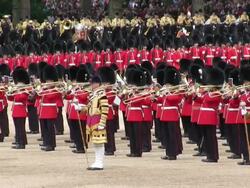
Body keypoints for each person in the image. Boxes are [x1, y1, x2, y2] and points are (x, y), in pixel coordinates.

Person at [85, 76, 108, 170]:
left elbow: (105, 110)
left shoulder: (102, 94)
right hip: (91, 120)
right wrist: (80, 108)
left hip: (98, 120)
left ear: (97, 84)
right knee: (95, 142)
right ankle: (97, 161)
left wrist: (102, 123)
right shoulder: (92, 95)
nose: (91, 85)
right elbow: (88, 108)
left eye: (92, 83)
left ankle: (100, 162)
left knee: (99, 142)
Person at [7, 67, 30, 149]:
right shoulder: (17, 89)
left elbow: (21, 98)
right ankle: (19, 140)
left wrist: (16, 92)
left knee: (21, 128)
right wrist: (9, 93)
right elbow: (11, 99)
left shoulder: (25, 89)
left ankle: (21, 143)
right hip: (15, 110)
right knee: (17, 127)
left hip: (21, 110)